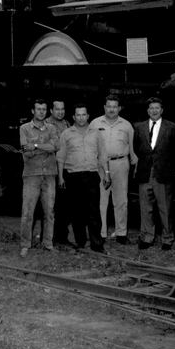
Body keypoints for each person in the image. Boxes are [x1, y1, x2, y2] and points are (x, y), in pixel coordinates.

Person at [57, 103, 110, 252]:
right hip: (73, 176)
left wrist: (106, 173)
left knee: (94, 212)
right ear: (74, 117)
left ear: (88, 116)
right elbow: (60, 157)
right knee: (77, 212)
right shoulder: (66, 134)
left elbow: (103, 155)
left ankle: (97, 244)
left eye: (83, 114)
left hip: (91, 176)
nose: (81, 117)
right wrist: (61, 177)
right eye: (78, 115)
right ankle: (80, 242)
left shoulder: (96, 133)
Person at [132, 96, 175, 251]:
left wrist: (170, 169)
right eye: (151, 108)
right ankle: (146, 237)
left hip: (163, 173)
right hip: (145, 172)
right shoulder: (139, 127)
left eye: (157, 108)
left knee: (164, 208)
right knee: (145, 208)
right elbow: (136, 148)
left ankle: (167, 238)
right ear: (148, 111)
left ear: (162, 110)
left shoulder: (171, 127)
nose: (154, 111)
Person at [90, 95, 137, 244]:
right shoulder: (95, 123)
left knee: (121, 200)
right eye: (109, 106)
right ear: (104, 107)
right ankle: (101, 234)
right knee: (101, 200)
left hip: (120, 164)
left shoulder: (127, 125)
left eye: (115, 106)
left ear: (119, 108)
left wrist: (133, 160)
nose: (111, 109)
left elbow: (132, 148)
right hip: (100, 165)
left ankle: (121, 233)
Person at [18, 98, 60, 257]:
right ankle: (25, 244)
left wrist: (35, 145)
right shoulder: (24, 128)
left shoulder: (52, 128)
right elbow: (26, 152)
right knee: (28, 211)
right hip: (31, 175)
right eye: (38, 109)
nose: (41, 112)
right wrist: (45, 148)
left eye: (44, 109)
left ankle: (48, 243)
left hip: (49, 174)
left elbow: (55, 146)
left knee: (49, 211)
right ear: (33, 111)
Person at [45, 99, 71, 244]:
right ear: (51, 110)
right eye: (57, 109)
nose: (60, 112)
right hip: (50, 169)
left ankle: (62, 236)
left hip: (65, 168)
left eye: (62, 109)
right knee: (49, 204)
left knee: (64, 205)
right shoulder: (46, 124)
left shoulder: (67, 124)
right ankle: (49, 237)